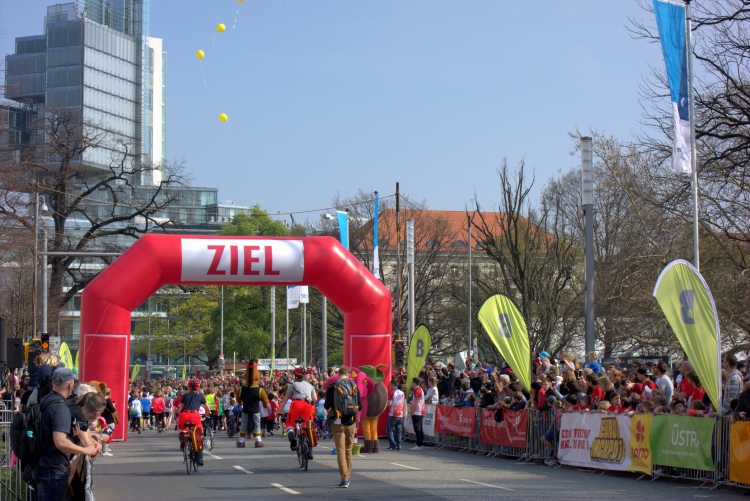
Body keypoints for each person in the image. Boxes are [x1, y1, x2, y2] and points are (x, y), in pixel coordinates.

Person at [36, 368, 100, 501]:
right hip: (54, 469)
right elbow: (60, 441)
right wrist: (85, 450)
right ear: (70, 384)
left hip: (43, 465)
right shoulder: (60, 407)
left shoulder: (46, 399)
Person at [325, 366, 362, 488]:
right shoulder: (354, 385)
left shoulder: (332, 386)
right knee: (348, 450)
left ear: (338, 374)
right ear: (348, 374)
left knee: (340, 450)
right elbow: (360, 405)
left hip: (337, 420)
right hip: (351, 421)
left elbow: (326, 405)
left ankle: (344, 478)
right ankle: (348, 476)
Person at [281, 367, 316, 455]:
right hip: (307, 405)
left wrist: (279, 411)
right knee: (308, 426)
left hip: (296, 404)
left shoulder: (293, 385)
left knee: (290, 423)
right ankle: (310, 451)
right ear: (303, 376)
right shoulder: (310, 385)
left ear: (295, 376)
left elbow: (285, 400)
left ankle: (292, 437)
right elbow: (315, 399)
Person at [177, 379, 210, 466]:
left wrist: (178, 413)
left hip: (185, 415)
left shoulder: (185, 396)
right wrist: (207, 413)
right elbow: (207, 408)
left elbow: (180, 408)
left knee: (182, 429)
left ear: (188, 387)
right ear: (198, 387)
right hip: (195, 416)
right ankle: (199, 458)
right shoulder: (201, 396)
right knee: (199, 435)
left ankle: (183, 439)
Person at [386, 380, 405, 451]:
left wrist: (386, 402)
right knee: (399, 430)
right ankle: (399, 444)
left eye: (390, 385)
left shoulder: (392, 392)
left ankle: (392, 444)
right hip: (400, 413)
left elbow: (389, 404)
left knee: (389, 429)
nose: (390, 386)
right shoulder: (402, 392)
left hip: (393, 413)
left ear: (393, 385)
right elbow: (404, 402)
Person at [409, 377, 426, 451]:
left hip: (418, 412)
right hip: (419, 411)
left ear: (414, 383)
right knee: (419, 428)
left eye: (412, 382)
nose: (411, 384)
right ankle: (420, 443)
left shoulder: (418, 390)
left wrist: (412, 411)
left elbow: (416, 402)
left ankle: (419, 444)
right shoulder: (418, 390)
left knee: (417, 428)